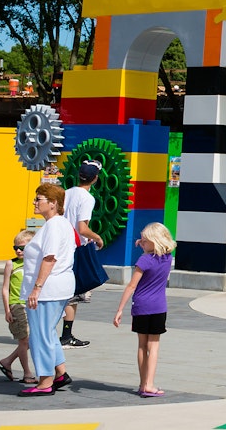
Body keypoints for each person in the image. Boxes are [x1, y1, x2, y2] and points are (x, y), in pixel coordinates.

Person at [22, 184, 77, 397]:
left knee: (40, 334)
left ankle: (45, 381)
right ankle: (60, 373)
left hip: (49, 289)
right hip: (59, 286)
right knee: (48, 332)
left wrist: (36, 288)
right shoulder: (61, 224)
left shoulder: (54, 226)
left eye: (39, 199)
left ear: (53, 203)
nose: (35, 203)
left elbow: (50, 257)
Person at [113, 223, 175, 397]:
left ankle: (143, 384)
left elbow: (132, 286)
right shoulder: (168, 258)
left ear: (152, 241)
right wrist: (144, 241)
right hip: (159, 307)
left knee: (142, 345)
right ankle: (150, 384)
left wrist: (119, 310)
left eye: (144, 240)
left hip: (141, 306)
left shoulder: (144, 260)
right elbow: (159, 247)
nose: (142, 242)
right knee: (153, 345)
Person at [61, 161, 106, 349]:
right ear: (95, 179)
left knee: (65, 292)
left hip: (62, 245)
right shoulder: (87, 198)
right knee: (74, 293)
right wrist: (97, 238)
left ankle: (59, 334)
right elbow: (82, 228)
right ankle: (66, 336)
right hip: (76, 250)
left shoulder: (67, 192)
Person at [0, 229, 37, 385]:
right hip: (16, 304)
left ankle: (7, 361)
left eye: (22, 248)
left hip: (32, 305)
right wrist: (7, 310)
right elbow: (5, 289)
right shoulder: (11, 264)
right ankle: (27, 373)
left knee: (30, 340)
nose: (18, 251)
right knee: (24, 340)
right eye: (15, 248)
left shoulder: (36, 264)